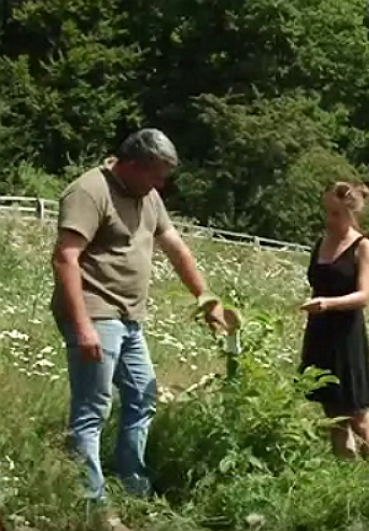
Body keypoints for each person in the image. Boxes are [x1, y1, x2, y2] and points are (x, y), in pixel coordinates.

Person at [50, 128, 226, 529]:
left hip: (130, 316)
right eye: (155, 174)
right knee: (92, 410)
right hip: (95, 313)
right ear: (130, 165)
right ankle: (93, 506)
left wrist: (207, 299)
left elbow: (175, 246)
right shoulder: (89, 192)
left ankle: (133, 485)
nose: (160, 184)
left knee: (143, 395)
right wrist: (83, 328)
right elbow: (65, 258)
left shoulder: (148, 196)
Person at [299, 181, 369, 459]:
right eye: (328, 212)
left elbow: (364, 296)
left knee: (359, 417)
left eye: (336, 214)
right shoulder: (321, 243)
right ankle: (345, 477)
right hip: (320, 335)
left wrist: (328, 304)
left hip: (348, 338)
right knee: (334, 418)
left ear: (351, 214)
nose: (329, 219)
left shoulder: (363, 247)